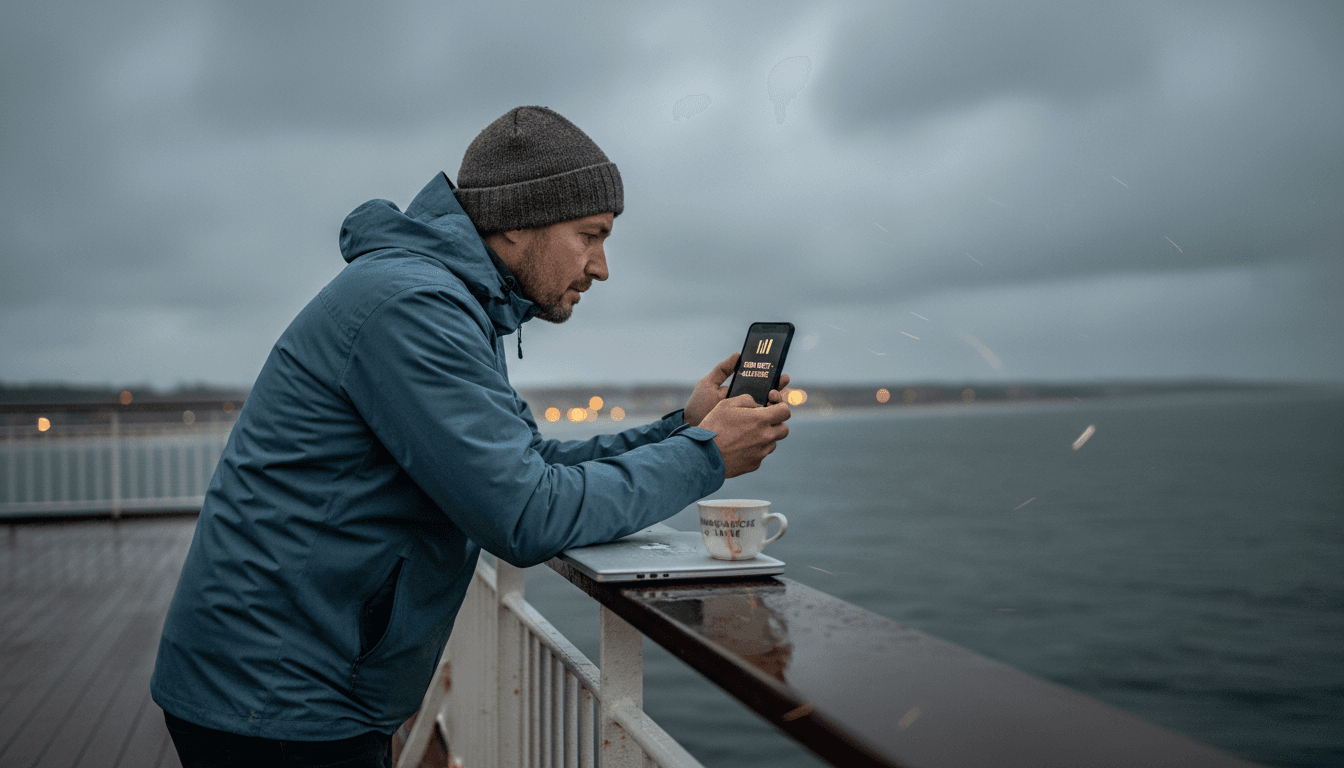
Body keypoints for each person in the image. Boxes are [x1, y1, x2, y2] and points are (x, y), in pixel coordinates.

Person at [151, 105, 792, 767]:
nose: (602, 267)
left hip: (287, 681)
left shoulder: (443, 301)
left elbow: (530, 466)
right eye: (590, 235)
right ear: (516, 224)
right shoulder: (414, 308)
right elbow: (523, 511)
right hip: (274, 696)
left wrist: (681, 428)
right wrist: (706, 455)